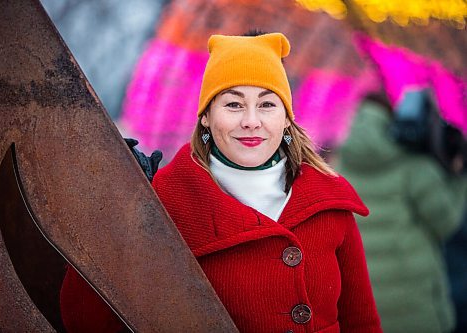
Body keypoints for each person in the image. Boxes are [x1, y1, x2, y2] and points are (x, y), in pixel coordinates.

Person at [60, 31, 382, 333]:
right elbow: (85, 319)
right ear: (206, 117)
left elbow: (362, 321)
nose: (251, 121)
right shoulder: (164, 202)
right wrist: (114, 209)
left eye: (267, 104)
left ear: (286, 118)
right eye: (233, 104)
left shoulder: (329, 200)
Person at [335, 93, 466, 333]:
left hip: (366, 313)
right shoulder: (415, 168)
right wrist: (459, 179)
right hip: (417, 310)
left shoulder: (337, 169)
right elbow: (447, 222)